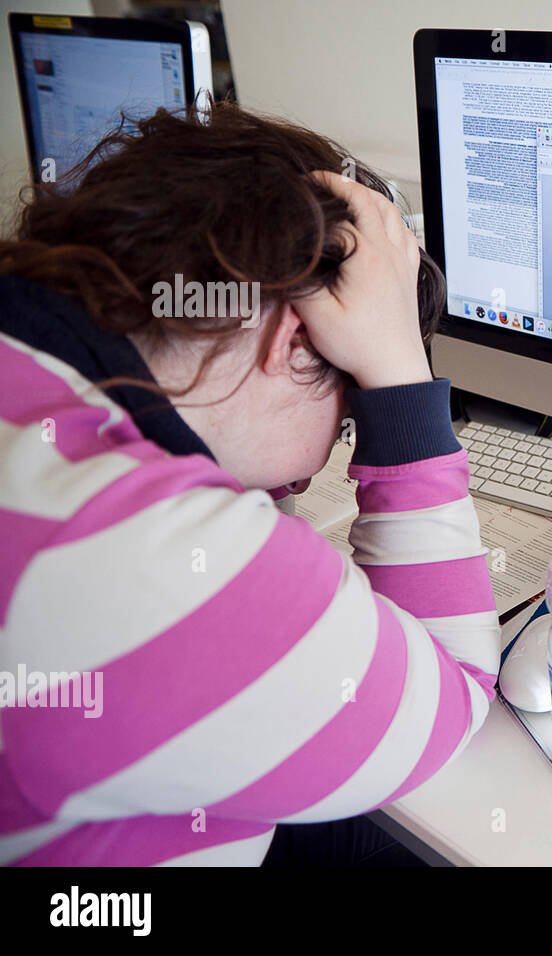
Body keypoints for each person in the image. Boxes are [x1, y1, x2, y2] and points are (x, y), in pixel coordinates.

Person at [0, 102, 500, 865]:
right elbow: (452, 689)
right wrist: (400, 380)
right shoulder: (143, 557)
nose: (328, 458)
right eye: (348, 416)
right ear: (295, 337)